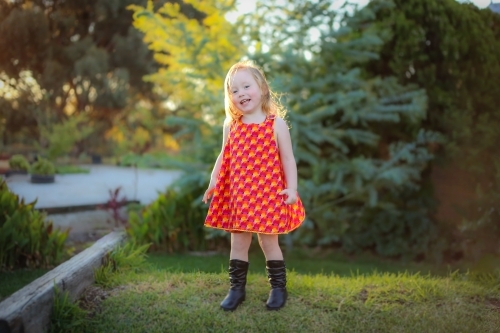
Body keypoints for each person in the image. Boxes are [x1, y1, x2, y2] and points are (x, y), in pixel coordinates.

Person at [203, 60, 305, 311]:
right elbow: (223, 155)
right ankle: (236, 290)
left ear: (261, 88)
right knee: (238, 242)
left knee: (268, 242)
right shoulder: (232, 126)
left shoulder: (275, 124)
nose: (241, 94)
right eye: (234, 91)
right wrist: (214, 182)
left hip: (268, 195)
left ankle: (278, 288)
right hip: (240, 196)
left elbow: (288, 159)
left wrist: (292, 189)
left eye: (246, 86)